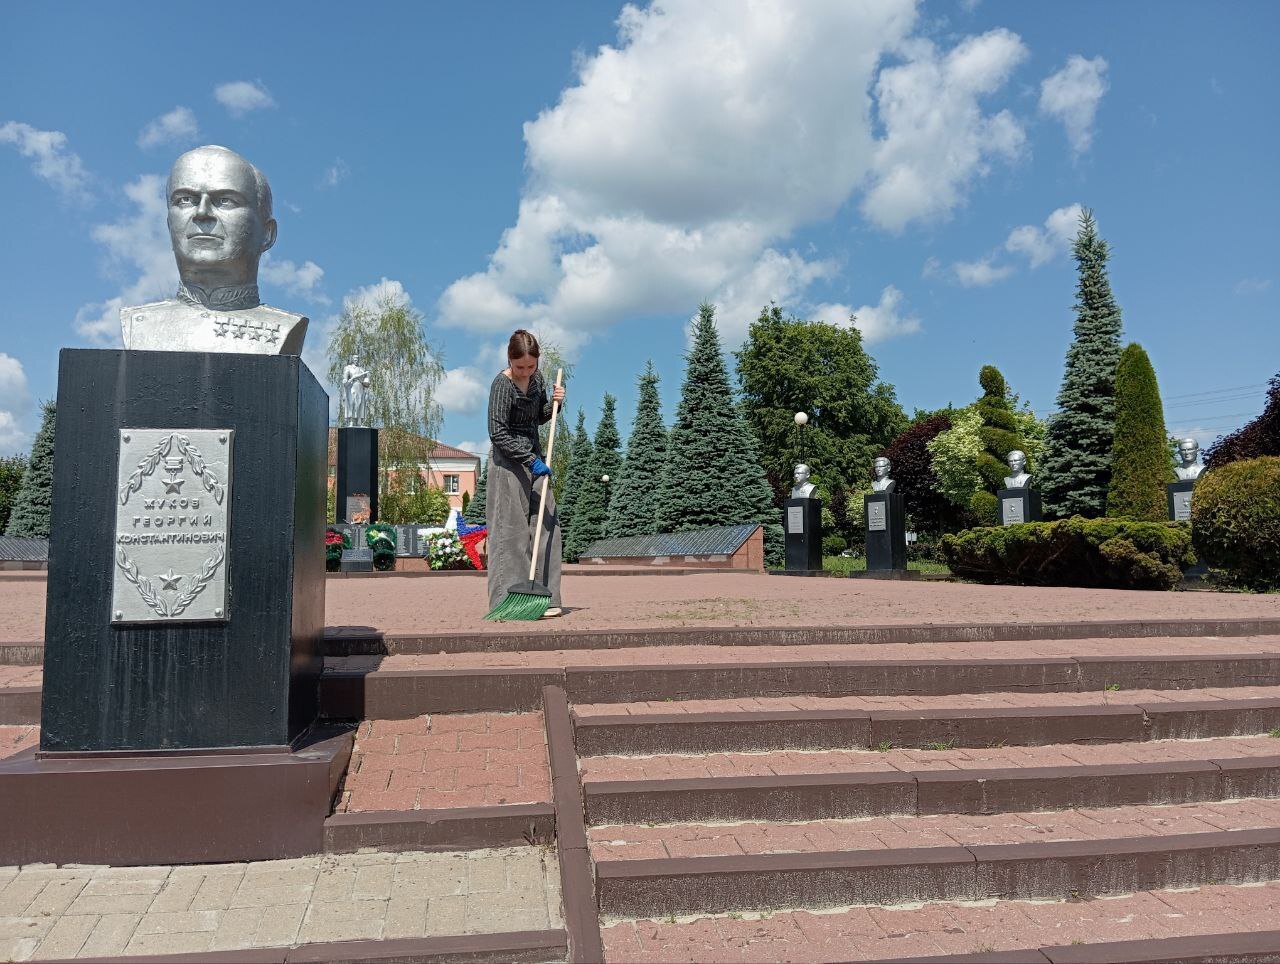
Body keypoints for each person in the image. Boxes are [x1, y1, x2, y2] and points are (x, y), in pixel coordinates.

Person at [121, 145, 308, 355]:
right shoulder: (138, 324)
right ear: (169, 226)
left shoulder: (284, 328)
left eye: (225, 201)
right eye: (185, 200)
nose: (202, 213)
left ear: (267, 233)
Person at [486, 330, 567, 617]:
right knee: (511, 532)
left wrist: (555, 403)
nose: (525, 371)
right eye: (520, 366)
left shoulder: (537, 380)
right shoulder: (501, 385)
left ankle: (545, 598)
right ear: (510, 359)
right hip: (508, 463)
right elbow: (497, 433)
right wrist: (529, 460)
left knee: (548, 525)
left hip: (535, 459)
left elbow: (540, 417)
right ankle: (507, 602)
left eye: (531, 366)